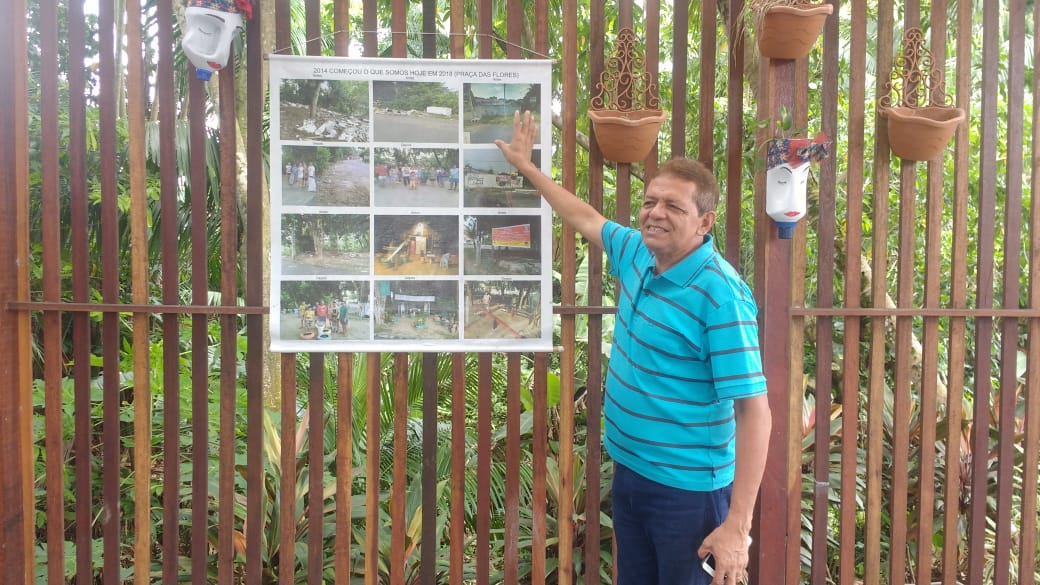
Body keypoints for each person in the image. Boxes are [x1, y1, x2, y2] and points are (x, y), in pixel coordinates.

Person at [496, 110, 771, 585]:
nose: (655, 212)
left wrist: (737, 527)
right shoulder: (638, 253)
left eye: (674, 206)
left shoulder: (721, 296)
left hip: (688, 492)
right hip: (631, 473)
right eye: (650, 201)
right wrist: (526, 166)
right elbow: (583, 215)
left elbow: (754, 411)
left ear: (704, 222)